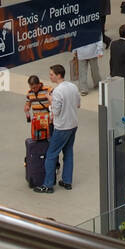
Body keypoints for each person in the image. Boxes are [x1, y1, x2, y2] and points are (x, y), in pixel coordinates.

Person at [35, 64, 81, 193]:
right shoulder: (73, 86)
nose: (50, 76)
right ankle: (67, 181)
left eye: (51, 74)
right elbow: (78, 104)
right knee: (68, 152)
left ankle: (48, 185)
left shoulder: (57, 91)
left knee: (51, 154)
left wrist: (50, 101)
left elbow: (55, 111)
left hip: (62, 127)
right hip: (73, 125)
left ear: (58, 75)